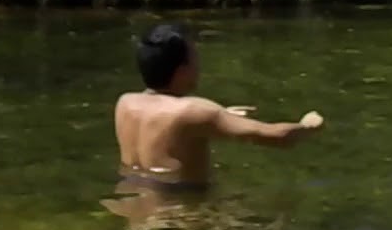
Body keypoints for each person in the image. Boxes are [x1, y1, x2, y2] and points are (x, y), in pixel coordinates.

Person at [113, 23, 324, 188]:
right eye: (195, 56)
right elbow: (277, 137)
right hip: (179, 217)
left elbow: (169, 127)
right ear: (182, 70)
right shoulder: (196, 111)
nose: (199, 64)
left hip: (133, 209)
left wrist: (220, 116)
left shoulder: (125, 103)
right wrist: (307, 126)